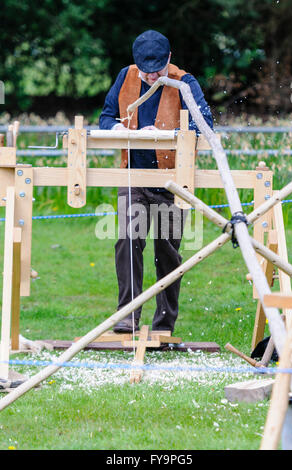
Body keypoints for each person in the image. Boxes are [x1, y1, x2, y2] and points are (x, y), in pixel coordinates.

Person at [99, 30, 213, 333]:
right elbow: (106, 117)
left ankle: (164, 325)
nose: (151, 77)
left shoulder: (185, 82)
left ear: (169, 59)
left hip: (173, 182)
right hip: (133, 175)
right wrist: (126, 133)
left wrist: (167, 135)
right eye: (146, 71)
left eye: (157, 71)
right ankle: (127, 316)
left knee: (167, 252)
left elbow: (204, 125)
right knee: (128, 242)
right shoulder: (126, 77)